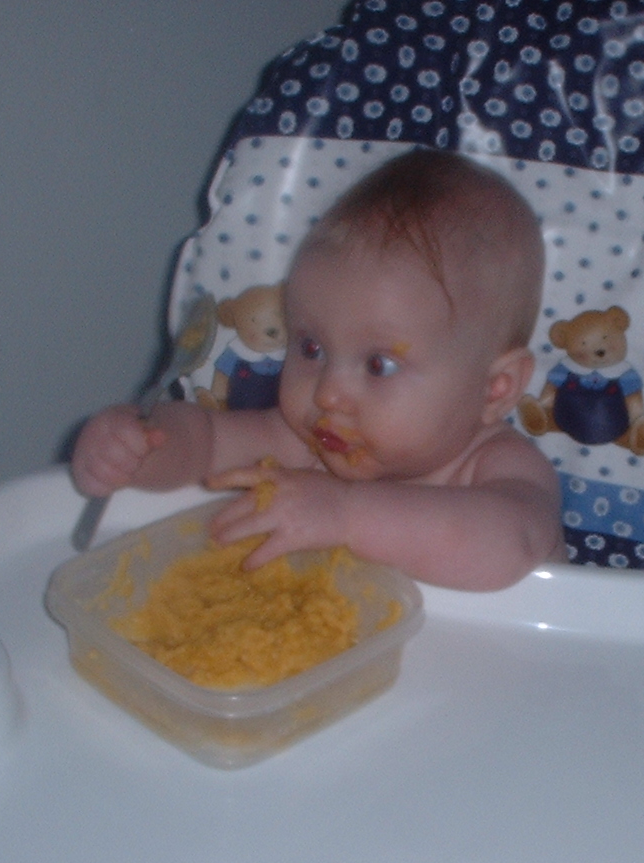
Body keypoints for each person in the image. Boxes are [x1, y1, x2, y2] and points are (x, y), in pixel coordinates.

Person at [71, 149, 561, 591]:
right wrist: (142, 447)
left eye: (378, 364)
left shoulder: (497, 467)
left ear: (495, 389)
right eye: (311, 347)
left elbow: (510, 546)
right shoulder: (307, 444)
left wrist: (344, 515)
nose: (327, 394)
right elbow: (207, 443)